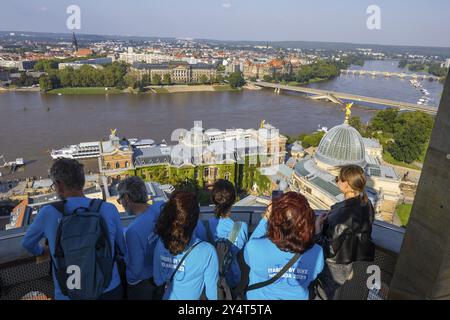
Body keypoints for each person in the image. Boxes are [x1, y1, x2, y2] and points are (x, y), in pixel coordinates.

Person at [22, 159, 126, 300]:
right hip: (108, 288)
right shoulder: (108, 209)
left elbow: (27, 243)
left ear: (59, 185)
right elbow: (122, 248)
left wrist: (42, 251)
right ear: (82, 182)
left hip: (70, 293)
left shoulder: (48, 213)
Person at [243, 192, 324, 300]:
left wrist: (266, 217)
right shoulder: (317, 252)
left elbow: (249, 256)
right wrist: (316, 232)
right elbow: (314, 274)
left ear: (275, 221)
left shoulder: (254, 247)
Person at [315, 165, 375, 300]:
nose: (336, 180)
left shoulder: (342, 216)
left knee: (322, 295)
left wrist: (318, 227)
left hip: (332, 266)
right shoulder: (366, 204)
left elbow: (328, 249)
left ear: (347, 185)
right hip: (347, 264)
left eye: (339, 179)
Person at [152, 191, 219, 300]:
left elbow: (158, 279)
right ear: (195, 220)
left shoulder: (160, 242)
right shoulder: (208, 251)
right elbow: (213, 295)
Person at [118, 176, 164, 300]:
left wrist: (124, 257)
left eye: (120, 199)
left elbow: (136, 270)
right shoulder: (159, 208)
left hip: (144, 286)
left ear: (127, 198)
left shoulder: (133, 231)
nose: (121, 204)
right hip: (162, 275)